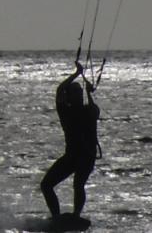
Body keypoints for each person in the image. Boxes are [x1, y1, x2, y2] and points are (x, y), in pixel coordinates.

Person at [40, 61, 100, 218]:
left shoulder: (88, 110)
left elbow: (94, 112)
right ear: (68, 97)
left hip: (87, 156)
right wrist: (76, 74)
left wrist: (88, 93)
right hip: (72, 156)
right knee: (46, 185)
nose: (78, 96)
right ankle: (56, 218)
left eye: (80, 94)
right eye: (75, 93)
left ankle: (76, 215)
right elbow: (59, 90)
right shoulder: (65, 111)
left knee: (78, 185)